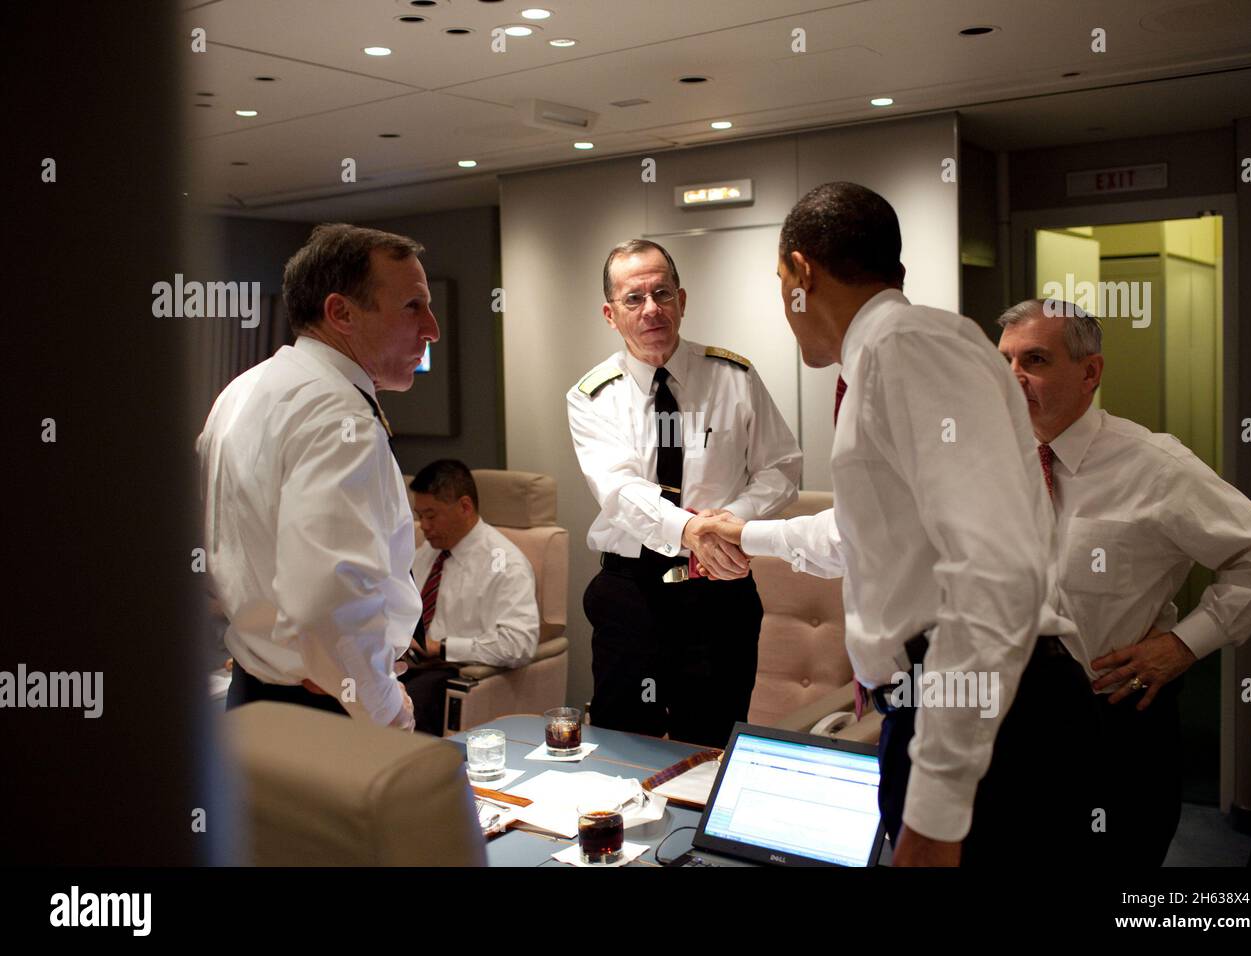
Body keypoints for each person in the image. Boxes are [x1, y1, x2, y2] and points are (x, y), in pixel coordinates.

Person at [694, 183, 1096, 867]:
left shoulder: (908, 347)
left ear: (799, 272)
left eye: (779, 284)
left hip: (990, 712)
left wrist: (936, 816)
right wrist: (745, 534)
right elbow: (868, 539)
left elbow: (995, 572)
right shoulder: (883, 356)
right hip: (936, 705)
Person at [996, 297, 1251, 865]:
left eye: (1034, 359)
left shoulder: (1154, 466)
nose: (1014, 377)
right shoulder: (992, 459)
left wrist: (1185, 644)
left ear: (1091, 373)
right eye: (1005, 360)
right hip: (1009, 724)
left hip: (1109, 728)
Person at [197, 222, 440, 730]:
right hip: (326, 710)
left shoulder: (242, 391)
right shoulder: (339, 418)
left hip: (254, 695)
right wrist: (387, 710)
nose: (432, 328)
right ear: (341, 313)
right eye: (412, 307)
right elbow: (330, 602)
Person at [566, 239, 802, 748]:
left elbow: (782, 468)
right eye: (634, 299)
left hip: (719, 594)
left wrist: (729, 522)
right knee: (623, 744)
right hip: (632, 594)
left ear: (683, 300)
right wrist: (691, 530)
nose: (652, 309)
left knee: (714, 741)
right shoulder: (593, 396)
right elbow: (619, 488)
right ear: (610, 314)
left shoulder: (734, 377)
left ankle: (697, 829)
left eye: (662, 293)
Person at [400, 459, 540, 735]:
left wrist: (441, 647)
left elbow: (518, 644)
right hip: (409, 660)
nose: (423, 526)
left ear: (464, 506)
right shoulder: (427, 552)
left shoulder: (505, 563)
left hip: (456, 671)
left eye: (431, 515)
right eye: (419, 516)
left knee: (402, 706)